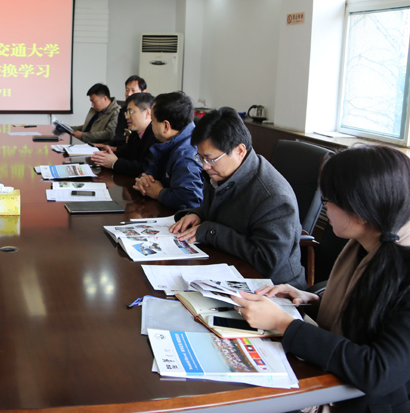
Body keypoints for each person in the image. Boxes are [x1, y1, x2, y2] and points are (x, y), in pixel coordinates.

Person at [232, 145, 410, 412]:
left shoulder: (401, 266)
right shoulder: (364, 245)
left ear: (360, 209)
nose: (325, 207)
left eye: (328, 199)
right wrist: (311, 301)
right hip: (331, 380)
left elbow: (379, 370)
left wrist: (284, 324)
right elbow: (364, 316)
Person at [169, 107, 306, 288]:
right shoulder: (222, 172)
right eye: (200, 158)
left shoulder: (274, 198)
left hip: (273, 289)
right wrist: (199, 214)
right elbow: (227, 210)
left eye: (210, 159)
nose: (204, 166)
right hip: (230, 269)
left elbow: (267, 261)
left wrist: (210, 231)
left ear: (240, 151)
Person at [133, 91, 202, 210]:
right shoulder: (169, 143)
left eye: (153, 121)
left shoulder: (187, 155)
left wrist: (159, 193)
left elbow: (191, 200)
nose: (151, 125)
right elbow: (152, 171)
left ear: (166, 126)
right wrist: (145, 181)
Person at [90, 93, 157, 177]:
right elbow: (127, 153)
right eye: (127, 112)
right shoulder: (135, 133)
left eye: (131, 112)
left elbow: (145, 168)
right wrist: (106, 156)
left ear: (147, 113)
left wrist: (114, 163)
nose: (126, 117)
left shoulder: (156, 136)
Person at [108, 75, 147, 149]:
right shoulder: (123, 110)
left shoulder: (146, 112)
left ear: (144, 92)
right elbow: (119, 135)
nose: (129, 94)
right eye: (127, 90)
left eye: (133, 90)